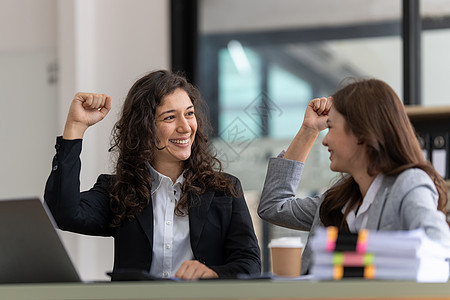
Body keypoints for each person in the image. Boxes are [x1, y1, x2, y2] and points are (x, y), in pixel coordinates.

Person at [44, 70, 261, 280]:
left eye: (189, 114)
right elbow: (62, 213)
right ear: (144, 128)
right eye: (169, 118)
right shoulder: (119, 190)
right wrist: (75, 127)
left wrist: (212, 274)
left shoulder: (224, 191)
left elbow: (249, 265)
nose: (185, 127)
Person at [258, 78, 450, 275]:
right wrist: (308, 130)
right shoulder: (338, 200)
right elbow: (273, 207)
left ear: (361, 132)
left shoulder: (407, 184)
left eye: (331, 127)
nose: (325, 140)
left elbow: (439, 245)